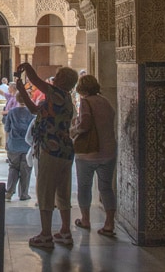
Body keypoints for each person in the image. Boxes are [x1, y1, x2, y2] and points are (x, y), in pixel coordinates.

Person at [16, 62, 78, 249]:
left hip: (50, 149)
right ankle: (65, 232)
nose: (54, 78)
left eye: (58, 76)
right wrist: (22, 90)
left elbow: (35, 80)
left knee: (45, 191)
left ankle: (45, 235)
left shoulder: (55, 93)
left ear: (62, 80)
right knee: (62, 191)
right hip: (65, 150)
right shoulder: (66, 99)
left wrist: (26, 65)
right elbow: (35, 110)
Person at [70, 74, 117, 237]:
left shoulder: (85, 102)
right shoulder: (105, 101)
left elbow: (85, 124)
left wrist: (74, 130)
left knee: (84, 186)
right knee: (106, 187)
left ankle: (85, 219)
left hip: (88, 153)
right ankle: (109, 223)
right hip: (108, 150)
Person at [3, 91, 34, 201]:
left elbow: (7, 128)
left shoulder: (12, 112)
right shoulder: (32, 113)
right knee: (26, 169)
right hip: (27, 145)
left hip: (13, 144)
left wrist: (6, 142)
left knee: (13, 168)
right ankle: (23, 194)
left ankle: (9, 192)